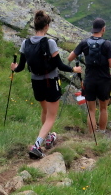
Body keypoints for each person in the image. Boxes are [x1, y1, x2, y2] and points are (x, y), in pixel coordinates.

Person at [11, 10, 82, 159]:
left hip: (36, 82)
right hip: (50, 81)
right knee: (51, 116)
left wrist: (14, 68)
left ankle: (48, 137)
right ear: (46, 26)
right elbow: (59, 65)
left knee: (45, 110)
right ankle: (36, 146)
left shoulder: (25, 43)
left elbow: (21, 67)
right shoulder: (50, 43)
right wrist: (73, 69)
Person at [67, 18, 111, 134]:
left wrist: (78, 55)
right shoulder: (107, 44)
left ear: (93, 29)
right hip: (104, 80)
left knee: (91, 110)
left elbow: (70, 58)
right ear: (103, 29)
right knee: (103, 108)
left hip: (89, 79)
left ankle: (91, 135)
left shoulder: (84, 43)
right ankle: (101, 133)